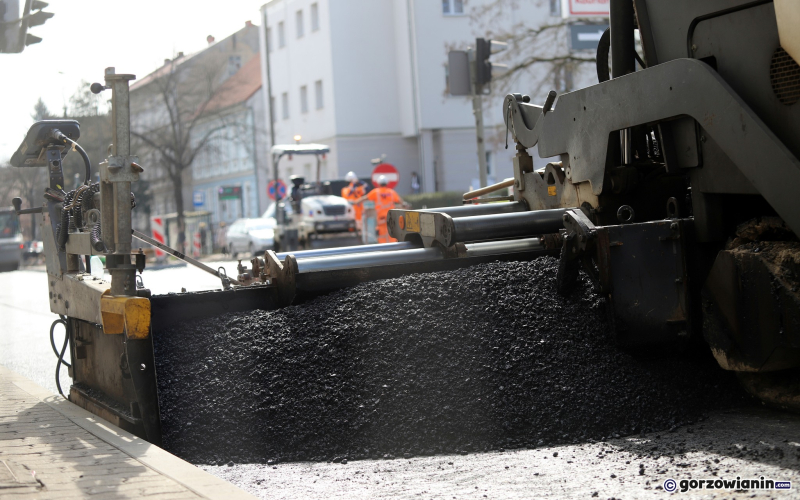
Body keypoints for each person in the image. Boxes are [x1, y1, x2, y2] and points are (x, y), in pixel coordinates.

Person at [358, 175, 407, 243]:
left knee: (382, 236)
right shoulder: (391, 192)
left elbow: (365, 198)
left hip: (381, 219)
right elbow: (401, 201)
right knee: (392, 234)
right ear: (387, 183)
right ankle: (394, 249)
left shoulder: (376, 192)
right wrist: (405, 205)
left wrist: (355, 202)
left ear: (378, 183)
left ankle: (383, 250)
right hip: (391, 218)